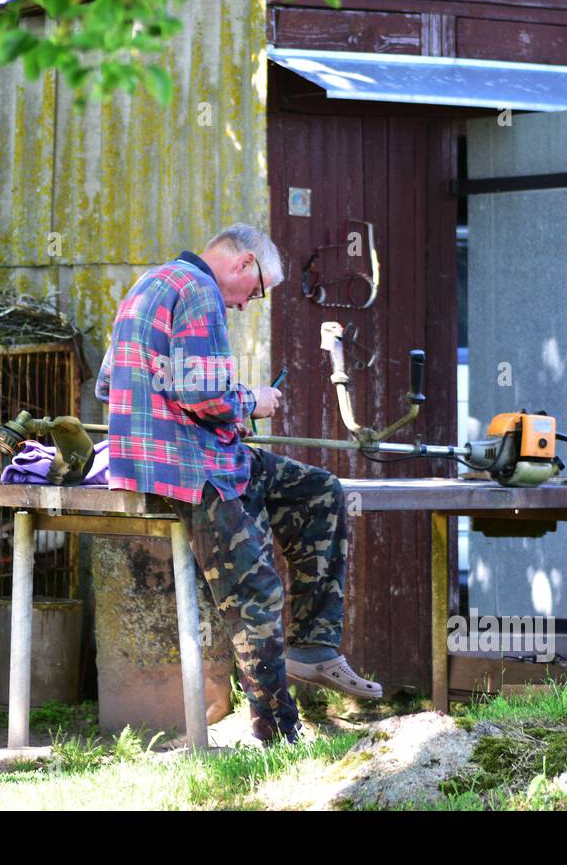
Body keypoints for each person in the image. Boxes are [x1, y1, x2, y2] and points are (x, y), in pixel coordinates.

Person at [95, 223, 381, 746]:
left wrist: (223, 416)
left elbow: (110, 382)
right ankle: (279, 736)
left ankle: (314, 647)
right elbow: (204, 395)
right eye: (256, 291)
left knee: (317, 490)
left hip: (165, 456)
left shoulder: (151, 283)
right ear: (244, 263)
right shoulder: (200, 290)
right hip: (188, 467)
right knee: (257, 592)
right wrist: (251, 402)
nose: (250, 304)